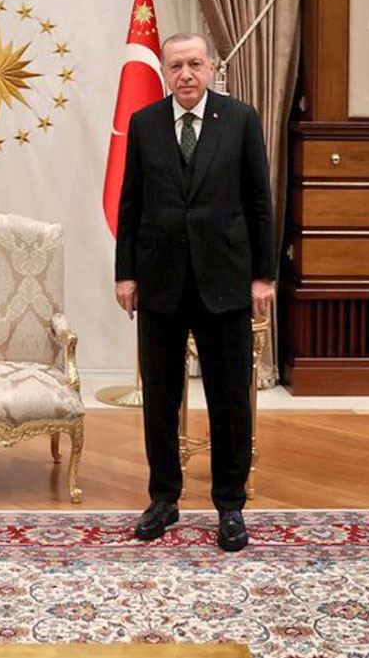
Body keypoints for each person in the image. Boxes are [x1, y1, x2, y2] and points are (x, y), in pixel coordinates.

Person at [114, 32, 275, 551]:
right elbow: (131, 203)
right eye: (176, 66)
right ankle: (163, 498)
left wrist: (263, 276)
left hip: (225, 281)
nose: (186, 74)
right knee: (159, 399)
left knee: (230, 400)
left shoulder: (241, 119)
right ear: (165, 71)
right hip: (159, 282)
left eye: (195, 64)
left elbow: (259, 201)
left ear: (211, 68)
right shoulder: (145, 123)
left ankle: (230, 504)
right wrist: (125, 274)